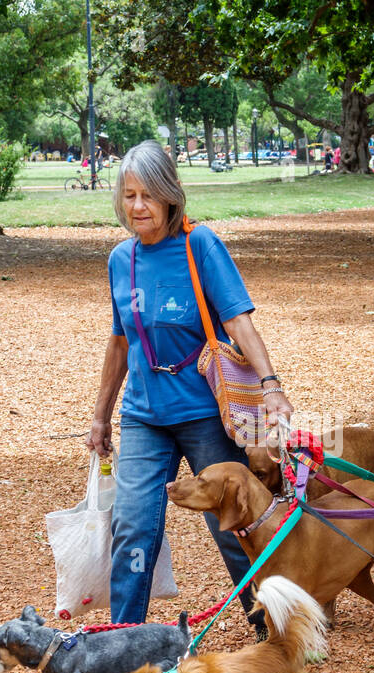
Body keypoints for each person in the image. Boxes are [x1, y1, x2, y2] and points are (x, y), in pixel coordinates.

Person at [85, 139, 293, 627]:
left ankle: (274, 628)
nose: (138, 206)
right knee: (132, 528)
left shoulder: (200, 245)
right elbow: (120, 342)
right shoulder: (121, 259)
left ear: (170, 197)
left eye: (149, 196)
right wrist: (100, 417)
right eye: (129, 195)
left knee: (236, 526)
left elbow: (239, 322)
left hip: (204, 414)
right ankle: (124, 640)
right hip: (143, 415)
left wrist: (271, 385)